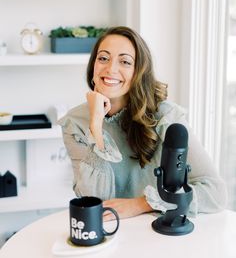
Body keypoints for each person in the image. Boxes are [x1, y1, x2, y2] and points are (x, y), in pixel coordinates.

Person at [59, 26, 227, 220]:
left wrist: (141, 204)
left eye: (125, 61)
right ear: (93, 65)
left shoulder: (165, 116)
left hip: (158, 233)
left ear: (139, 71)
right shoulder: (75, 122)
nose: (111, 69)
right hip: (109, 235)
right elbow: (96, 202)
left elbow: (216, 192)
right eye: (103, 58)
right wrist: (96, 125)